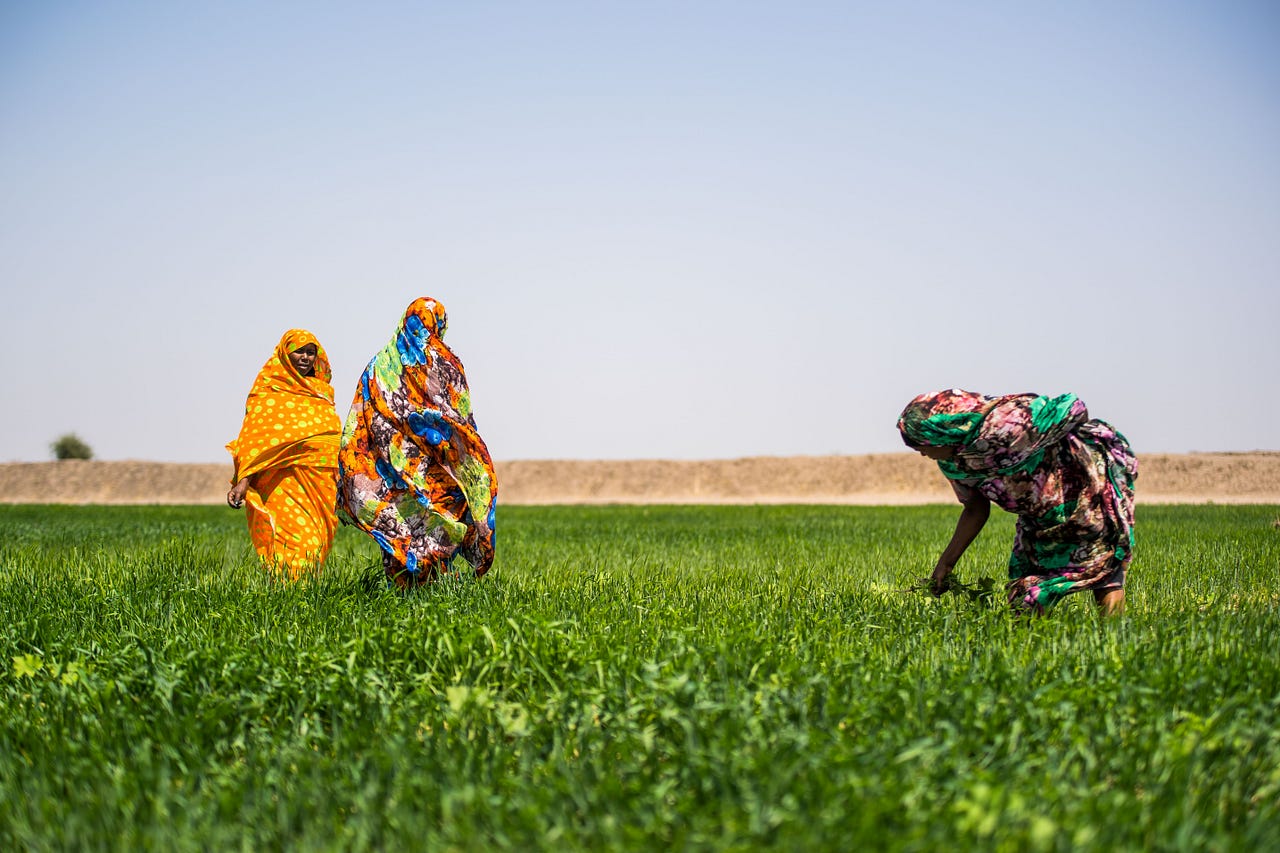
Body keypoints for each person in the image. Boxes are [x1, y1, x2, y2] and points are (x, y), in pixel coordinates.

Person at [897, 390, 1137, 616]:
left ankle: (1115, 642)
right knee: (1025, 591)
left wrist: (1056, 446)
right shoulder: (955, 463)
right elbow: (975, 509)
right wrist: (946, 563)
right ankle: (1031, 651)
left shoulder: (1007, 424)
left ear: (942, 436)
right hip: (1038, 519)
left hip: (1086, 498)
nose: (922, 454)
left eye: (922, 446)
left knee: (1103, 571)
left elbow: (1072, 407)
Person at [338, 297, 498, 588]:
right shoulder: (445, 362)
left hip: (391, 464)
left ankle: (412, 588)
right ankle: (424, 587)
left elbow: (358, 420)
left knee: (404, 516)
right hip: (429, 462)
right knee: (441, 513)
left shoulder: (378, 366)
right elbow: (460, 415)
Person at [226, 329, 342, 579]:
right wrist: (243, 481)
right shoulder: (270, 392)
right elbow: (256, 440)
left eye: (311, 353)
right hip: (283, 483)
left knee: (316, 542)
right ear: (285, 353)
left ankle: (304, 600)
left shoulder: (321, 393)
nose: (305, 358)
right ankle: (288, 599)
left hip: (321, 485)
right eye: (299, 351)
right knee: (295, 540)